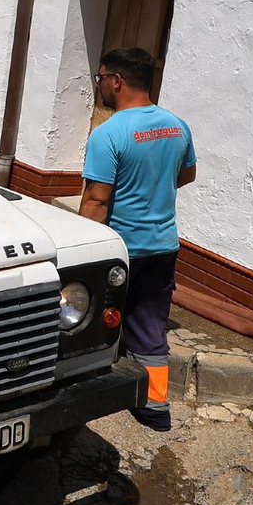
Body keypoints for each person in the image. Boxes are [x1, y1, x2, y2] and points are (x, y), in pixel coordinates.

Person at [79, 47, 196, 432]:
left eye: (101, 78)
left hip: (121, 249)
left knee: (93, 317)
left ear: (117, 81)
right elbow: (186, 175)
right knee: (149, 326)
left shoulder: (108, 133)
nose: (99, 86)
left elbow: (97, 199)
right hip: (164, 245)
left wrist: (81, 250)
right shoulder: (177, 125)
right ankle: (155, 407)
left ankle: (91, 393)